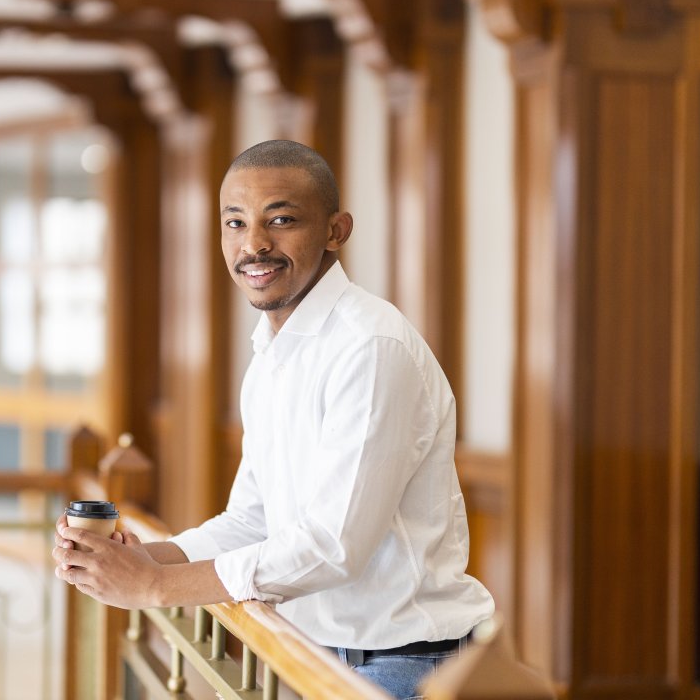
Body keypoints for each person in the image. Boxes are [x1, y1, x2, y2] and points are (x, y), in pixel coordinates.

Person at [52, 140, 494, 699]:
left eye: (281, 220)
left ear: (336, 231)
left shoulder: (370, 346)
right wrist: (139, 558)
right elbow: (252, 521)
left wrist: (157, 586)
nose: (254, 244)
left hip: (402, 665)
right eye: (235, 223)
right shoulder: (271, 355)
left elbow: (333, 545)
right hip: (312, 656)